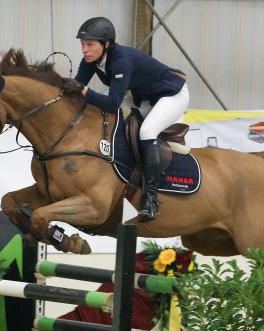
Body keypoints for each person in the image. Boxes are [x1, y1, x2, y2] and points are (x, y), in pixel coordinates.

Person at [63, 17, 190, 222]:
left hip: (171, 95)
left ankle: (151, 199)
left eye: (90, 44)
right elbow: (76, 88)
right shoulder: (90, 60)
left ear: (106, 44)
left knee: (146, 132)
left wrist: (85, 91)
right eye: (82, 45)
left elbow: (112, 103)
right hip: (144, 97)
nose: (84, 50)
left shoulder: (121, 60)